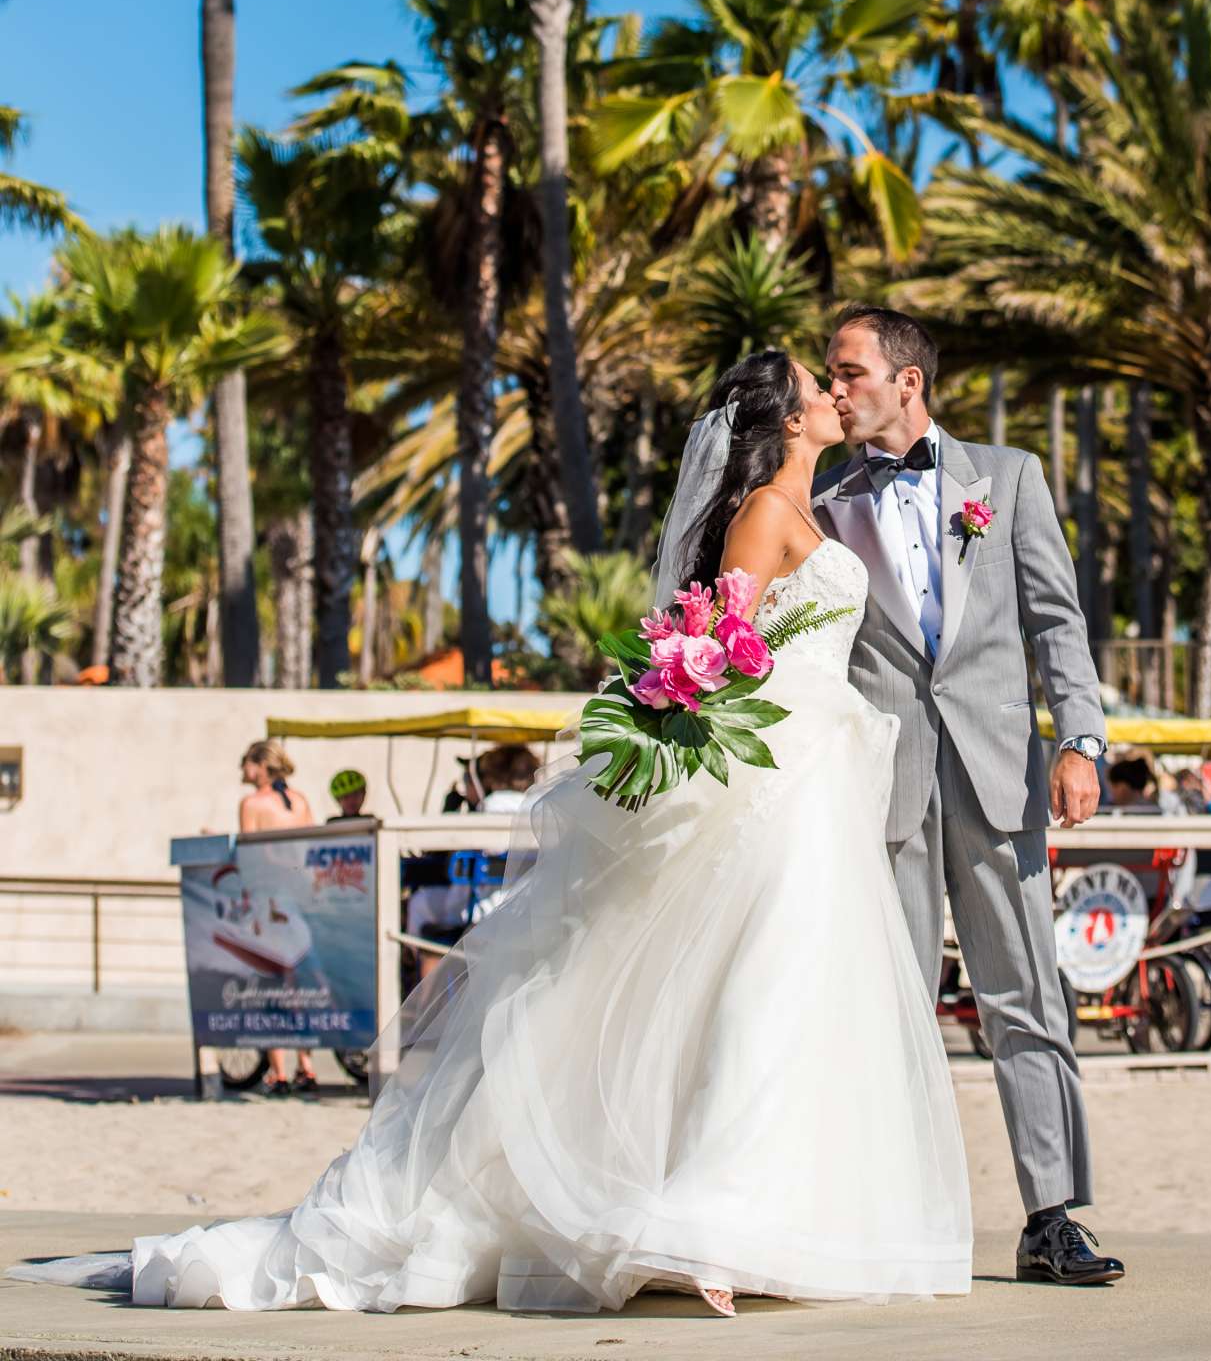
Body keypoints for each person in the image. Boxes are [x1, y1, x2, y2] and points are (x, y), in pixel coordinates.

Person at [18, 351, 969, 1319]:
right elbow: (718, 647)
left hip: (819, 774)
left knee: (791, 986)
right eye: (819, 384)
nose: (834, 392)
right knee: (753, 981)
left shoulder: (817, 508)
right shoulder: (765, 513)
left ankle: (762, 1217)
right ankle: (703, 1225)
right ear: (788, 417)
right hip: (772, 776)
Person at [819, 304, 1123, 1292]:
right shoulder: (821, 501)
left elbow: (1057, 623)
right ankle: (902, 1216)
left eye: (850, 372)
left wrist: (1080, 742)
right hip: (886, 785)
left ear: (908, 382)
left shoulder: (1012, 475)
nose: (836, 390)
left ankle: (1052, 1218)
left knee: (1026, 998)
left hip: (1002, 776)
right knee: (893, 1005)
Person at [238, 741, 317, 1096]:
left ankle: (279, 1071)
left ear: (259, 766)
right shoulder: (299, 802)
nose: (242, 772)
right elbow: (311, 850)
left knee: (272, 981)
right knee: (297, 983)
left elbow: (250, 857)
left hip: (269, 898)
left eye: (245, 764)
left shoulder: (252, 804)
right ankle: (307, 1065)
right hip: (299, 896)